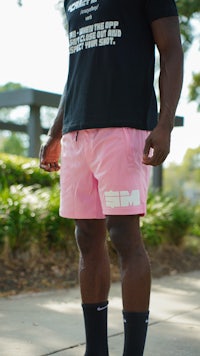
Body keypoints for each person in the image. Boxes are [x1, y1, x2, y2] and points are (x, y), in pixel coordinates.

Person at [39, 0, 183, 355]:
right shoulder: (71, 2)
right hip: (76, 133)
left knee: (123, 234)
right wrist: (56, 133)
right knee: (86, 237)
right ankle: (96, 350)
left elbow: (171, 51)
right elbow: (76, 71)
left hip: (123, 126)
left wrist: (164, 125)